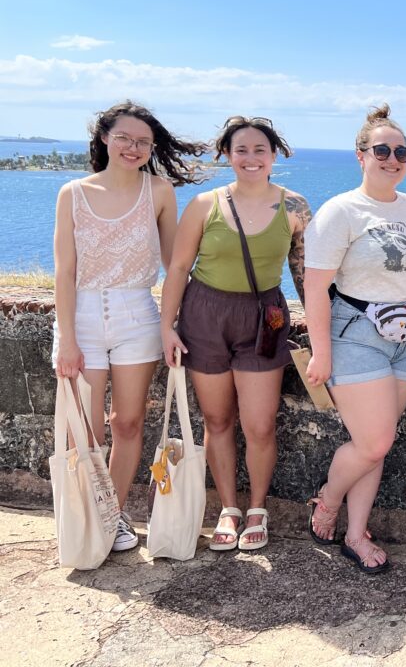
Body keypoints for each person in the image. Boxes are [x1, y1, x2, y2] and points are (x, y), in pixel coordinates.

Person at [52, 100, 205, 553]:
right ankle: (84, 519)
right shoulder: (73, 193)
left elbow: (175, 263)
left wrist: (175, 320)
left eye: (142, 141)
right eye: (124, 138)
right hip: (80, 314)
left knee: (128, 422)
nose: (132, 147)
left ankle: (112, 517)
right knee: (88, 429)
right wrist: (68, 340)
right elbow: (63, 273)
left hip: (137, 314)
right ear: (104, 138)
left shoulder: (158, 191)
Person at [304, 105, 406, 573]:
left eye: (401, 151)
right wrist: (321, 352)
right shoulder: (341, 210)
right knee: (375, 440)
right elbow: (314, 286)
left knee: (376, 442)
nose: (392, 158)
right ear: (361, 155)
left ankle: (355, 533)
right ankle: (327, 499)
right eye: (382, 150)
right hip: (357, 333)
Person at [161, 116, 310, 552]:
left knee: (260, 424)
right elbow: (177, 268)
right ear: (227, 155)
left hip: (264, 318)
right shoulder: (205, 204)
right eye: (240, 150)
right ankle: (229, 508)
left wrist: (321, 329)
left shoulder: (295, 207)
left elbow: (304, 274)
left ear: (274, 155)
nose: (250, 158)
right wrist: (166, 326)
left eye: (259, 150)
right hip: (204, 315)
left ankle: (257, 508)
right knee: (218, 420)